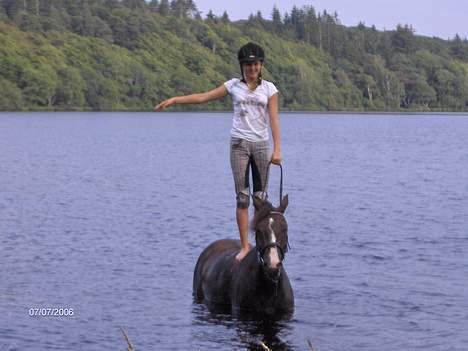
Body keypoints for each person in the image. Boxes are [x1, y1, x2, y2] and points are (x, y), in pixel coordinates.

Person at [154, 42, 282, 261]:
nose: (251, 68)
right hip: (239, 145)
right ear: (242, 66)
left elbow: (274, 119)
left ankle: (264, 246)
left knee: (260, 199)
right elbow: (204, 97)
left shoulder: (269, 89)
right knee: (242, 198)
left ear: (261, 65)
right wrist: (175, 100)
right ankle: (244, 247)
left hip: (261, 145)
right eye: (247, 64)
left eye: (255, 64)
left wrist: (277, 149)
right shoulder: (233, 85)